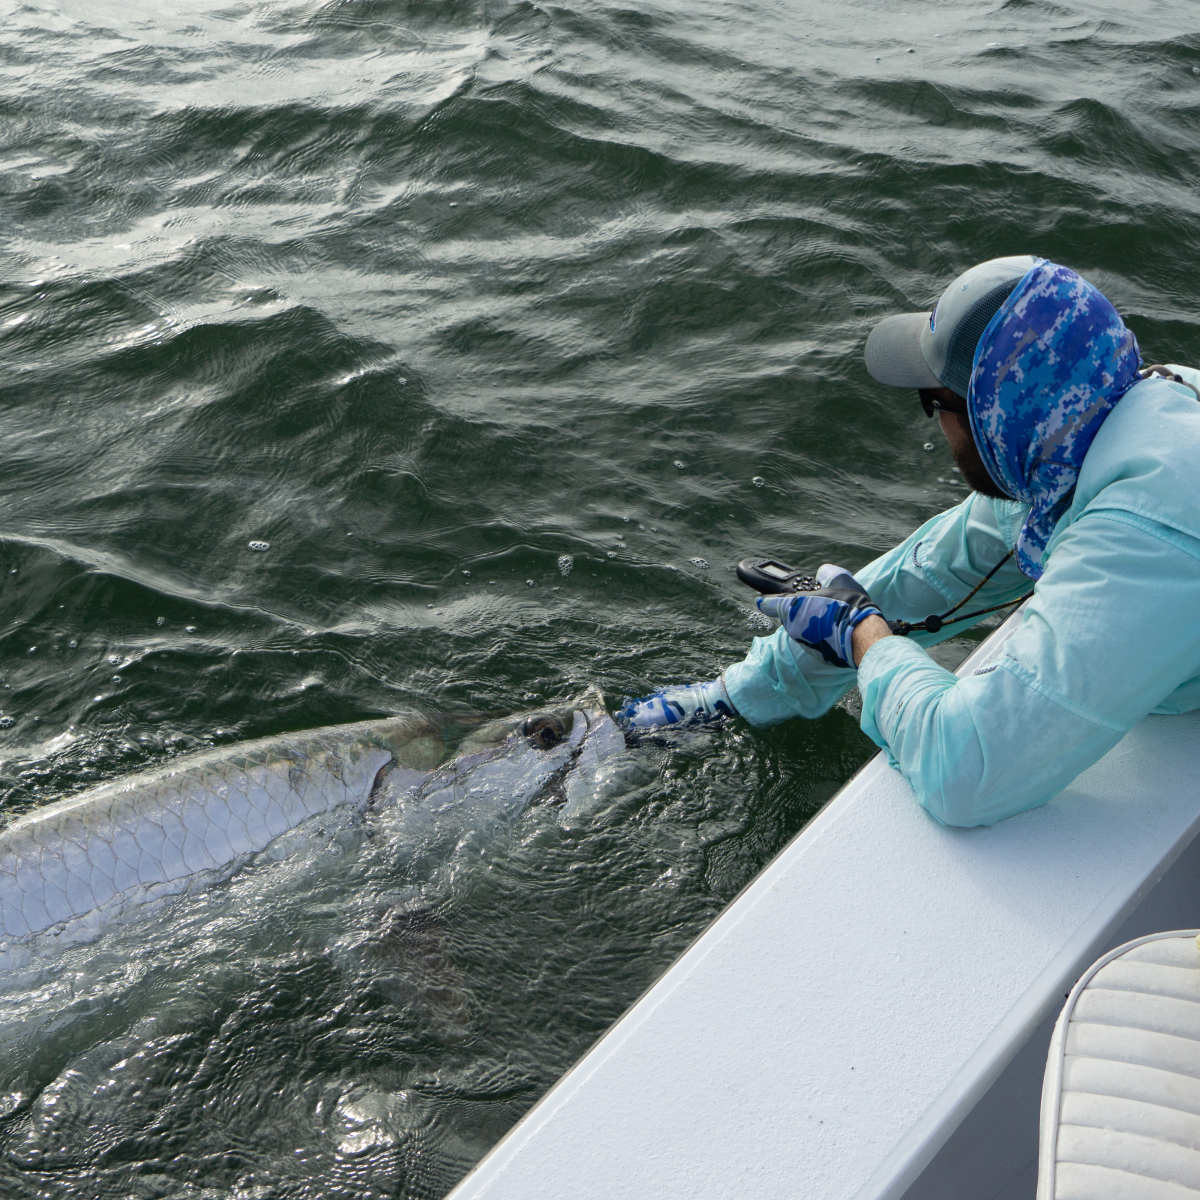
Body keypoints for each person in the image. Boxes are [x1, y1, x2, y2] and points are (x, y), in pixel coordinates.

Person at [620, 255, 1200, 828]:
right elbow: (931, 575)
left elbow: (968, 774)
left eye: (935, 403)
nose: (937, 426)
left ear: (997, 416)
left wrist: (865, 639)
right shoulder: (1095, 426)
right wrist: (721, 700)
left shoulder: (1149, 530)